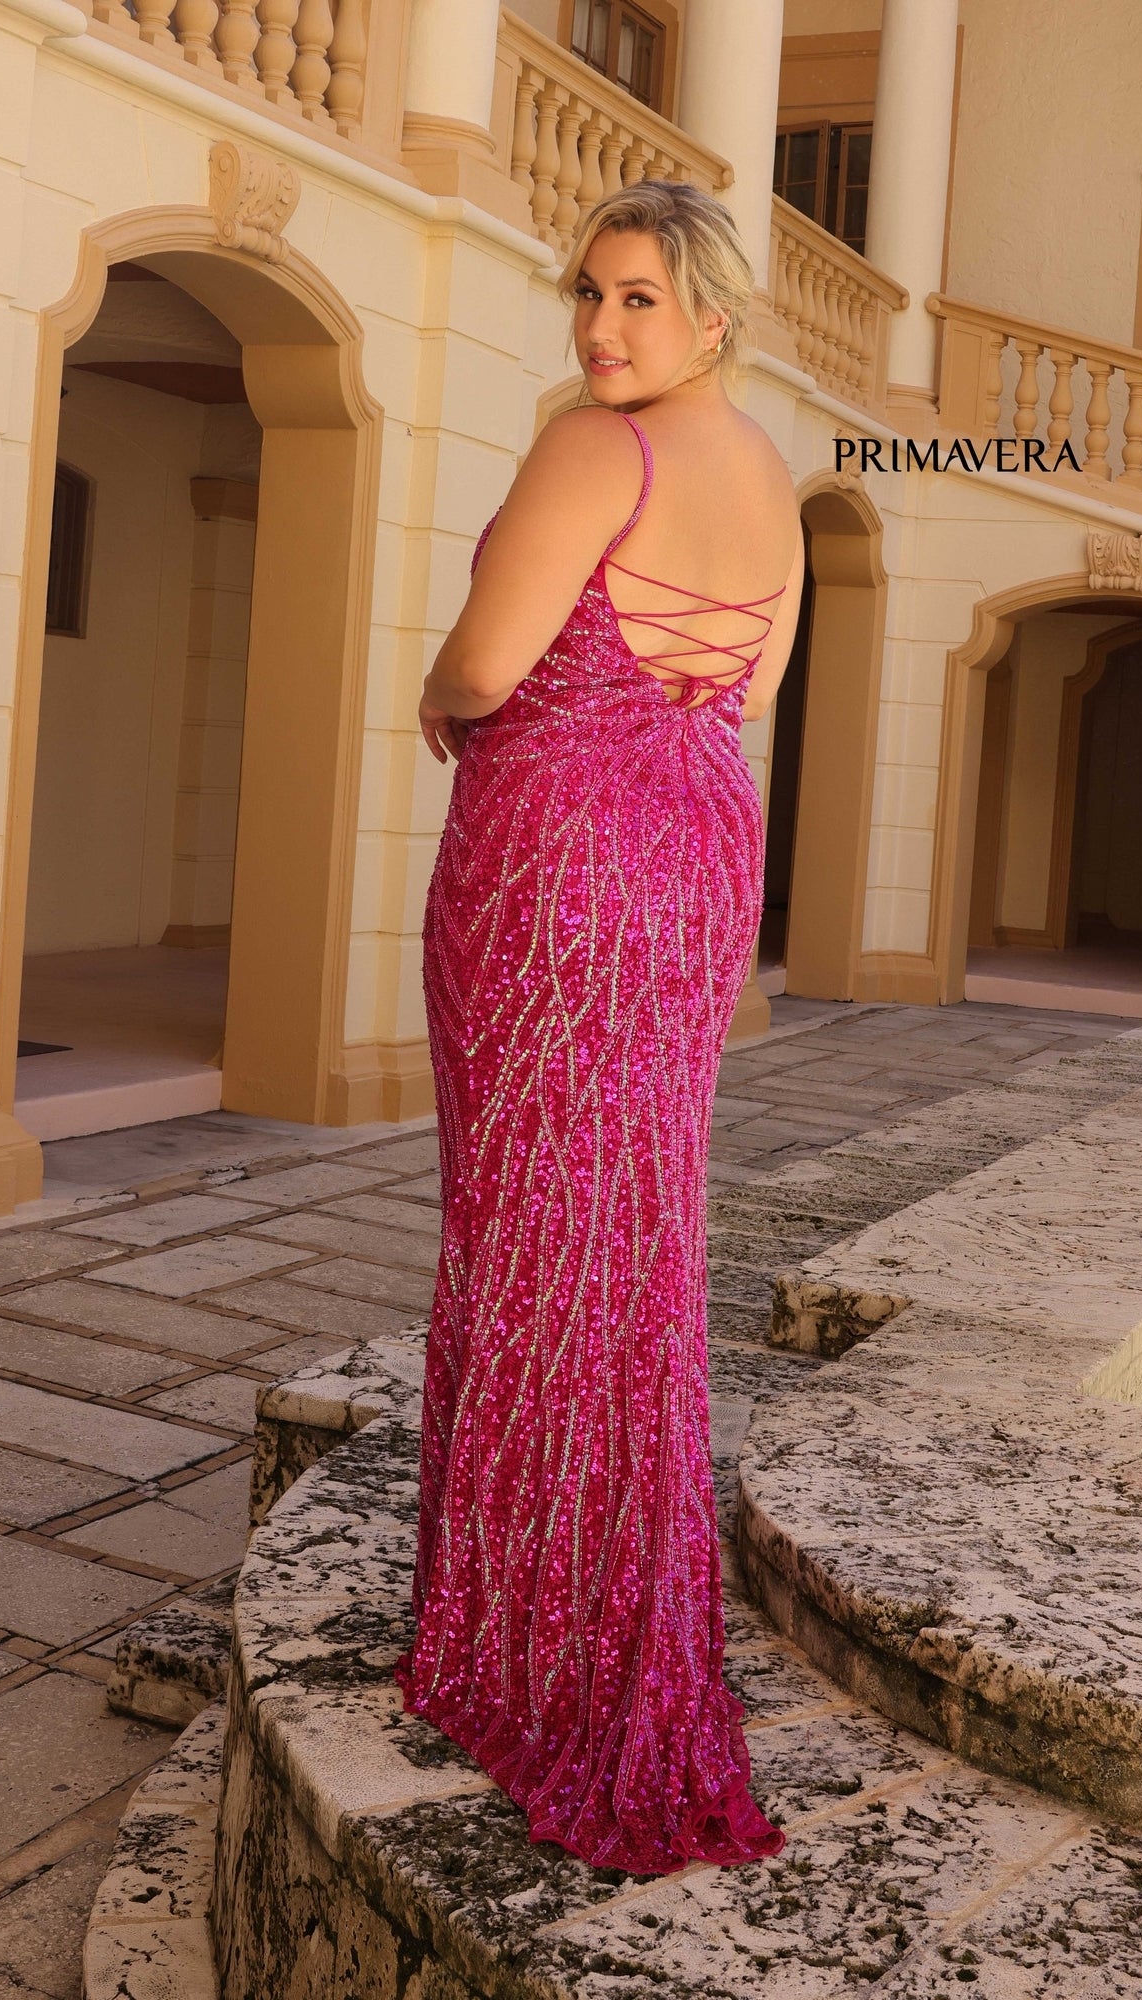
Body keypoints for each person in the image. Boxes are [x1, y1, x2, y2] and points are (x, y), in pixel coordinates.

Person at [393, 178, 805, 1875]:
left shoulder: (590, 447)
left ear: (712, 317)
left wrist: (435, 686)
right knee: (623, 1239)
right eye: (590, 295)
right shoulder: (771, 476)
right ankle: (591, 1613)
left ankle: (526, 1644)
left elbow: (494, 662)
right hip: (697, 845)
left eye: (640, 300)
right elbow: (748, 692)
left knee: (530, 1234)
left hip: (561, 864)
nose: (600, 329)